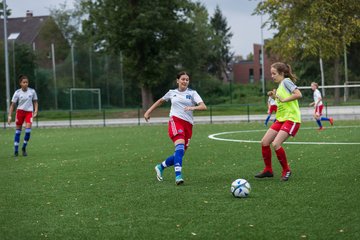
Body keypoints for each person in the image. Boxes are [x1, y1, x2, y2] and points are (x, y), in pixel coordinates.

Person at [144, 71, 207, 185]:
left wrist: (192, 108)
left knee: (180, 153)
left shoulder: (193, 93)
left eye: (187, 79)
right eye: (183, 79)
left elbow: (203, 106)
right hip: (175, 121)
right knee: (179, 148)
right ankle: (178, 176)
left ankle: (160, 166)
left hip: (188, 125)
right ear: (177, 80)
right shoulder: (171, 92)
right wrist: (148, 111)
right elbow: (160, 101)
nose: (185, 81)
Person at [255, 62, 302, 181]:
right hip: (281, 118)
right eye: (271, 74)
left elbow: (298, 94)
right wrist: (274, 96)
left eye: (274, 73)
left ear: (281, 73)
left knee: (276, 144)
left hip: (291, 119)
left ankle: (286, 170)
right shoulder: (281, 85)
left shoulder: (286, 81)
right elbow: (281, 100)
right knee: (265, 142)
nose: (272, 76)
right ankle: (268, 170)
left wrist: (283, 99)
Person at [8, 75, 38, 157]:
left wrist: (35, 111)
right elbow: (12, 105)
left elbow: (35, 102)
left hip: (29, 112)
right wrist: (10, 116)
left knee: (28, 131)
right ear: (20, 83)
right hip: (20, 112)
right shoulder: (17, 92)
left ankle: (24, 148)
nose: (25, 84)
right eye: (24, 82)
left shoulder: (32, 91)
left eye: (27, 82)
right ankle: (16, 150)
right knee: (18, 132)